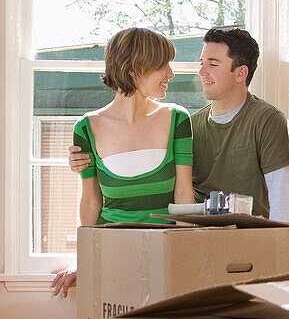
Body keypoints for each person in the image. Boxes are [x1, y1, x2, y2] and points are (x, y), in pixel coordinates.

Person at [67, 27, 289, 221]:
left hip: (243, 244)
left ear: (240, 73)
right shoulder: (191, 123)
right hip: (191, 242)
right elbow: (93, 198)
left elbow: (283, 202)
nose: (201, 71)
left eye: (213, 64)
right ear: (134, 70)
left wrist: (276, 250)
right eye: (202, 62)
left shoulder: (266, 121)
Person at [50, 27, 194, 297]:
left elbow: (183, 194)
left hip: (163, 257)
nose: (170, 74)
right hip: (110, 259)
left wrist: (183, 258)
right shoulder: (86, 128)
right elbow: (92, 201)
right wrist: (83, 259)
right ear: (134, 70)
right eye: (162, 66)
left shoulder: (178, 119)